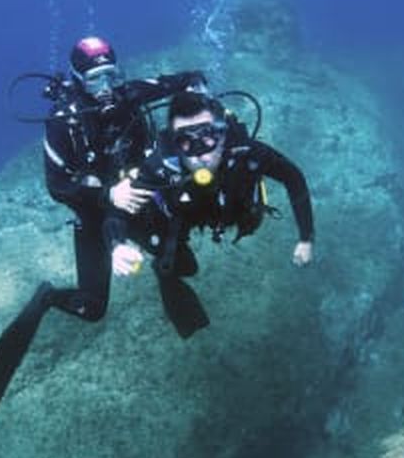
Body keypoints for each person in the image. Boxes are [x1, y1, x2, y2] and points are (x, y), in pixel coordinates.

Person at [0, 37, 207, 411]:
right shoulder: (63, 122)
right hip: (95, 216)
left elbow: (180, 80)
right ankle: (47, 297)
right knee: (93, 309)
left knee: (183, 264)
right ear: (78, 80)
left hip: (138, 203)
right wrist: (107, 196)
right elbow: (57, 186)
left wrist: (197, 87)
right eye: (95, 80)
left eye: (111, 76)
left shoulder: (128, 95)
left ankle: (165, 279)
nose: (107, 88)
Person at [105, 90, 314, 339]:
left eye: (207, 136)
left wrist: (306, 238)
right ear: (173, 141)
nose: (200, 154)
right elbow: (115, 214)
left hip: (234, 208)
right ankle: (166, 276)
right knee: (181, 266)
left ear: (223, 133)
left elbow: (294, 177)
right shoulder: (161, 165)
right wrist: (116, 245)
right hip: (183, 214)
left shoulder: (246, 151)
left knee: (251, 220)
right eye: (185, 140)